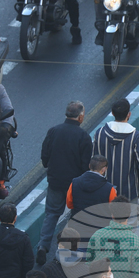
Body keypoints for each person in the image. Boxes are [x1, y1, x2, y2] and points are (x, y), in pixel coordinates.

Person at [38, 101, 92, 265]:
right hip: (74, 185)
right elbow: (85, 166)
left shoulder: (53, 131)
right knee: (76, 216)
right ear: (81, 117)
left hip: (55, 182)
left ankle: (43, 246)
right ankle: (67, 249)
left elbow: (45, 158)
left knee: (51, 215)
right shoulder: (84, 137)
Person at [92, 98, 139, 200]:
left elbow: (93, 159)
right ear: (129, 114)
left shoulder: (100, 133)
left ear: (113, 113)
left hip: (103, 191)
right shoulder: (136, 137)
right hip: (129, 192)